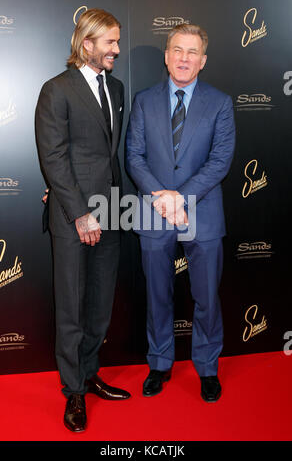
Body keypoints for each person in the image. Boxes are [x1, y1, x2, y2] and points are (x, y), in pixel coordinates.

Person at [126, 23, 235, 402]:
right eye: (177, 49)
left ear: (202, 61)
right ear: (167, 55)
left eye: (192, 52)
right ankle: (159, 362)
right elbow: (134, 157)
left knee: (206, 296)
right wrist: (161, 194)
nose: (183, 58)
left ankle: (207, 367)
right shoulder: (143, 100)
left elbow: (220, 162)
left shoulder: (220, 103)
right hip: (154, 210)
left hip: (202, 213)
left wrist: (180, 197)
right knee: (158, 293)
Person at [35, 8, 130, 433]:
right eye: (109, 42)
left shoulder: (118, 87)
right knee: (71, 307)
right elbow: (54, 159)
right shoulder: (57, 90)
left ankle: (90, 374)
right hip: (75, 217)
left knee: (99, 305)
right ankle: (72, 390)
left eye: (117, 41)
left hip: (112, 210)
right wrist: (80, 213)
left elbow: (108, 156)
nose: (116, 49)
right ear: (86, 43)